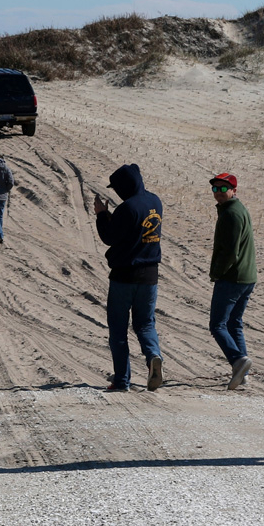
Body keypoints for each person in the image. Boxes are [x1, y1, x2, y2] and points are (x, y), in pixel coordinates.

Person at [94, 164, 165, 392]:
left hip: (124, 275)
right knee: (145, 323)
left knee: (118, 329)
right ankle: (153, 355)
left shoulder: (127, 208)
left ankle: (122, 380)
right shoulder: (155, 201)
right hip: (150, 275)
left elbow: (110, 237)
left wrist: (101, 216)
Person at [207, 172, 257, 390]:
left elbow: (230, 252)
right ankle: (243, 372)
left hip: (233, 278)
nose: (218, 193)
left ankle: (238, 360)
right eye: (215, 189)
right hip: (246, 276)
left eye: (223, 188)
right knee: (234, 323)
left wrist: (217, 273)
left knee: (217, 325)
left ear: (234, 190)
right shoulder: (235, 209)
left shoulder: (231, 214)